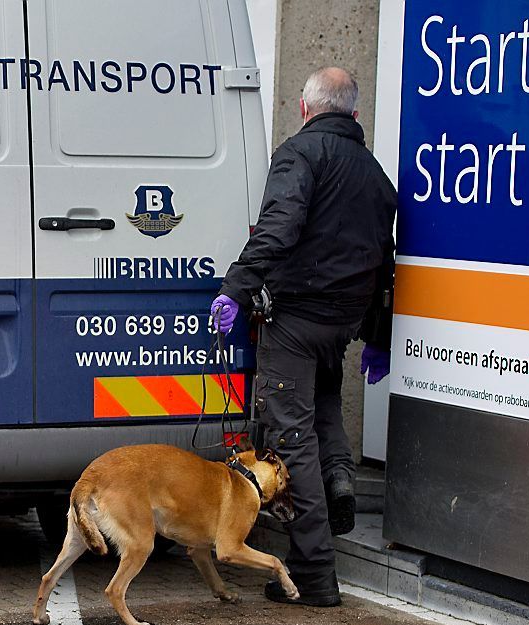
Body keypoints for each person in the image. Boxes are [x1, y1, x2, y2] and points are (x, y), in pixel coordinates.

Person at [210, 67, 396, 607]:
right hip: (340, 324)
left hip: (293, 323)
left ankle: (315, 576)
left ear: (304, 108)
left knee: (292, 439)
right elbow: (385, 263)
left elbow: (278, 229)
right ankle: (341, 480)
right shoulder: (375, 173)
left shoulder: (298, 154)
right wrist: (377, 335)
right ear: (355, 115)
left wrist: (237, 289)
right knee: (323, 413)